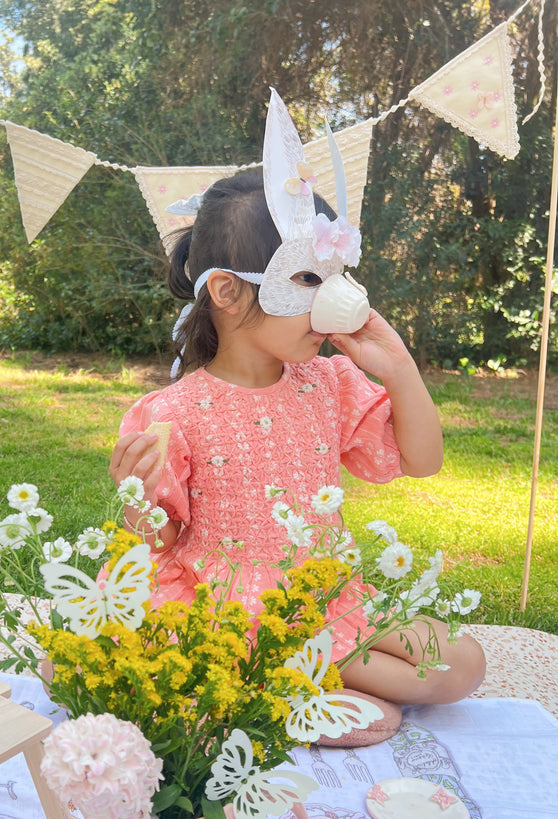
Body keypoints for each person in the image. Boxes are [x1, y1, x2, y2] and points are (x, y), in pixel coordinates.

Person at [109, 109, 485, 707]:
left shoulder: (327, 381)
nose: (331, 299)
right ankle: (271, 677)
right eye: (309, 278)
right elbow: (160, 541)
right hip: (227, 609)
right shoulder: (173, 414)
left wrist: (398, 367)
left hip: (321, 597)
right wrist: (136, 498)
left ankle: (288, 679)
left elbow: (423, 460)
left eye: (335, 276)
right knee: (437, 680)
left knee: (462, 661)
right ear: (228, 291)